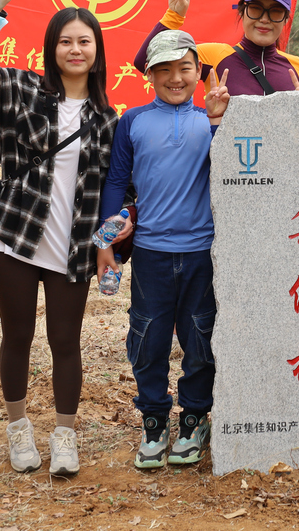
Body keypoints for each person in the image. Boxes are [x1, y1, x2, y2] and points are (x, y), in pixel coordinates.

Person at [0, 0, 122, 477]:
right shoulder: (23, 91)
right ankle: (17, 427)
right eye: (65, 41)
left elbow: (115, 190)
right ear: (52, 48)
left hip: (73, 246)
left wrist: (109, 243)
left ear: (97, 50)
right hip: (16, 235)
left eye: (84, 41)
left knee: (66, 341)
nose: (75, 49)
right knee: (18, 335)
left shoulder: (108, 118)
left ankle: (65, 435)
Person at [98, 26, 230, 470]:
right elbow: (117, 180)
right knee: (148, 338)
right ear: (149, 74)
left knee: (200, 338)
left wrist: (217, 122)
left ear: (199, 71)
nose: (176, 78)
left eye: (185, 68)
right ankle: (154, 421)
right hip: (151, 252)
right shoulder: (132, 121)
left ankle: (194, 419)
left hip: (202, 252)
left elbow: (228, 174)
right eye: (165, 70)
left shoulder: (211, 120)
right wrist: (106, 239)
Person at [134, 0, 299, 95]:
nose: (264, 19)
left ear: (285, 19)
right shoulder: (213, 57)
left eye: (275, 11)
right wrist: (174, 15)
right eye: (256, 9)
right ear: (241, 11)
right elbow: (145, 61)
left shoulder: (297, 67)